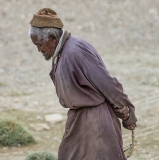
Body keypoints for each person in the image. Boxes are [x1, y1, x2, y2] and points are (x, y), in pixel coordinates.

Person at [28, 8, 137, 160]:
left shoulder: (75, 51)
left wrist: (128, 114)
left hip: (95, 120)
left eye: (39, 44)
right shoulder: (64, 51)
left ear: (52, 38)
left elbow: (107, 84)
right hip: (80, 120)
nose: (39, 49)